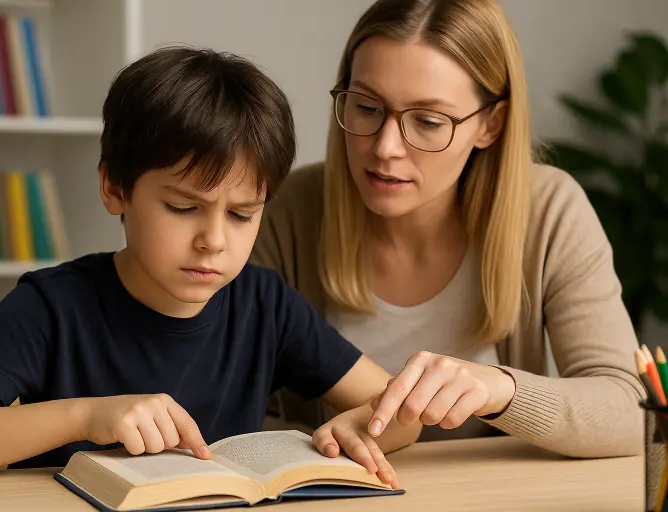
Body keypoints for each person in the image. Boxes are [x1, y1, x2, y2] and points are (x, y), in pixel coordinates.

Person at [0, 46, 426, 486]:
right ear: (115, 188)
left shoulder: (265, 303)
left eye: (243, 215)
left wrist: (362, 426)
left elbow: (398, 412)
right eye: (182, 208)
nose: (213, 241)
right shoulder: (51, 306)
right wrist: (85, 415)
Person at [252, 0, 644, 458]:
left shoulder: (550, 210)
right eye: (366, 107)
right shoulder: (284, 211)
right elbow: (229, 405)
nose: (385, 148)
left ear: (491, 124)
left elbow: (631, 411)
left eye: (428, 121)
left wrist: (500, 390)